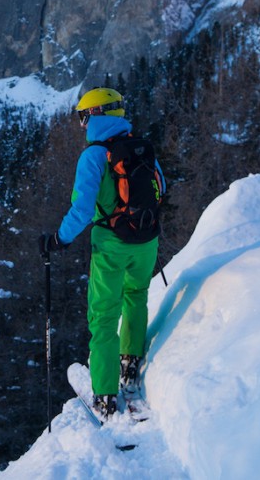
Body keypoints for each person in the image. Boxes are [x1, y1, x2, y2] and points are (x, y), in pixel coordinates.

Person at [39, 87, 165, 420]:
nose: (81, 125)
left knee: (103, 317)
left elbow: (81, 210)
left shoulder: (94, 156)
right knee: (136, 295)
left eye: (83, 117)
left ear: (95, 115)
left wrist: (58, 240)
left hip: (111, 244)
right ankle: (130, 361)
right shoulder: (141, 147)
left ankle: (106, 395)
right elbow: (161, 189)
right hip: (147, 239)